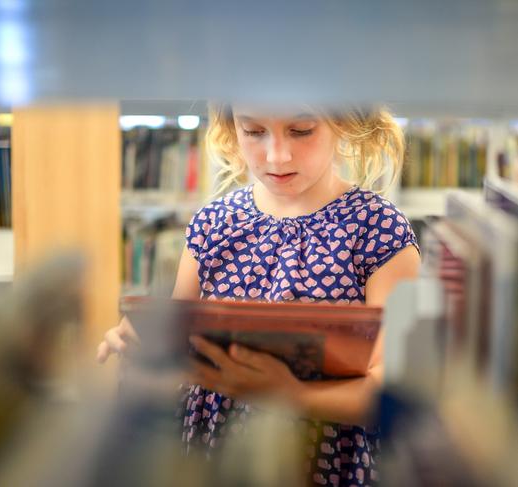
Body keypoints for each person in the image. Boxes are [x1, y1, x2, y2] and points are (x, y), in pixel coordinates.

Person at [97, 103, 421, 486]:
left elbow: (397, 391)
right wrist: (144, 347)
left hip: (324, 457)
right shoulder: (212, 225)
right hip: (214, 453)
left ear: (344, 121)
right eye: (253, 132)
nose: (276, 155)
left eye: (301, 130)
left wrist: (291, 392)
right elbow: (179, 358)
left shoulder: (381, 230)